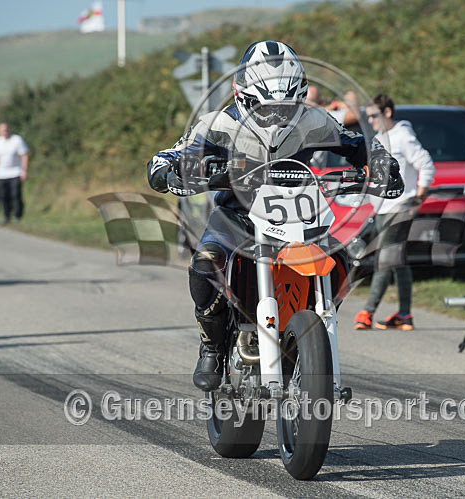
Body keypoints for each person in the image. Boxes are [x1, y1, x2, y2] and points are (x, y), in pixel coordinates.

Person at [146, 40, 402, 391]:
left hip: (301, 216)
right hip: (237, 217)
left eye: (285, 108)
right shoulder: (217, 123)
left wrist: (384, 164)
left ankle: (310, 335)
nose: (276, 117)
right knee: (206, 262)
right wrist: (167, 172)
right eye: (267, 108)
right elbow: (170, 155)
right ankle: (212, 345)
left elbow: (358, 143)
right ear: (243, 96)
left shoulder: (315, 120)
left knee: (347, 259)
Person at [354, 94, 435, 331]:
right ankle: (405, 315)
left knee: (385, 259)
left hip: (400, 208)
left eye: (373, 115)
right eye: (367, 116)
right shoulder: (380, 138)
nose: (370, 120)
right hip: (382, 210)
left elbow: (426, 163)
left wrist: (418, 196)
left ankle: (366, 312)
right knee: (398, 261)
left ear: (387, 112)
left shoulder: (403, 136)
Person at [0, 123, 28, 225]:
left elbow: (24, 155)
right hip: (1, 174)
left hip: (15, 172)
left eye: (6, 129)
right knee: (3, 196)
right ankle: (6, 215)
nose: (5, 131)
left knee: (15, 195)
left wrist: (24, 170)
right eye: (2, 130)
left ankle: (17, 215)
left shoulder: (17, 140)